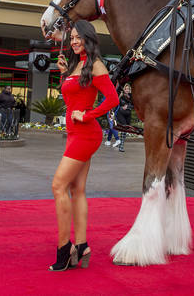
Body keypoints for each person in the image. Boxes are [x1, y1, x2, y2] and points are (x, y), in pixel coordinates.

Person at [49, 20, 118, 271]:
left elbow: (112, 99)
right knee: (77, 190)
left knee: (58, 185)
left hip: (86, 134)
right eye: (72, 38)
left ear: (88, 38)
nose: (74, 41)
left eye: (78, 38)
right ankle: (81, 245)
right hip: (74, 133)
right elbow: (71, 97)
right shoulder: (78, 64)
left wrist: (87, 115)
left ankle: (64, 249)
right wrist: (63, 73)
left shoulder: (96, 65)